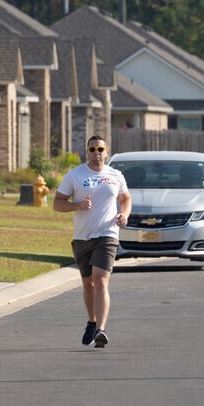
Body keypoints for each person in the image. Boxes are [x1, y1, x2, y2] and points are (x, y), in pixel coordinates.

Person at [53, 136, 132, 348]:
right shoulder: (75, 175)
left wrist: (124, 214)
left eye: (100, 148)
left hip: (107, 234)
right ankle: (91, 321)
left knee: (101, 280)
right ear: (87, 152)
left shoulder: (115, 175)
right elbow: (57, 204)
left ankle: (101, 329)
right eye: (92, 148)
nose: (96, 152)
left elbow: (125, 199)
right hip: (82, 237)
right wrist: (76, 206)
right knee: (88, 283)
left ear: (106, 152)